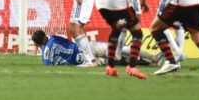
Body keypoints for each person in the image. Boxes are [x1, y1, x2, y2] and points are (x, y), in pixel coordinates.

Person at [31, 29, 162, 66]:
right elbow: (69, 42)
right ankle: (153, 57)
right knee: (117, 49)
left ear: (37, 45)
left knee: (114, 61)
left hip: (83, 61)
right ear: (45, 36)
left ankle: (145, 64)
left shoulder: (45, 58)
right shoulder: (54, 38)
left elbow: (54, 65)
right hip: (87, 48)